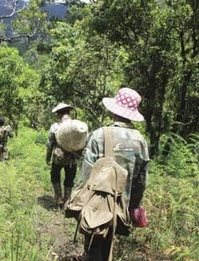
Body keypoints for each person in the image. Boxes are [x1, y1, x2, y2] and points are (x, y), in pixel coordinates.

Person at [77, 87, 149, 260]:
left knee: (93, 246)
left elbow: (86, 173)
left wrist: (78, 201)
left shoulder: (99, 135)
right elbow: (141, 180)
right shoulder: (141, 141)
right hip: (121, 205)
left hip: (96, 203)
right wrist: (133, 206)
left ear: (113, 111)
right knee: (108, 244)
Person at [46, 103, 82, 207]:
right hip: (73, 158)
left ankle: (58, 199)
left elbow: (50, 144)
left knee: (55, 177)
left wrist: (48, 157)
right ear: (68, 112)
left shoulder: (55, 126)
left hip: (58, 158)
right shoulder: (77, 125)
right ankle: (67, 202)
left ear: (59, 114)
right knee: (69, 179)